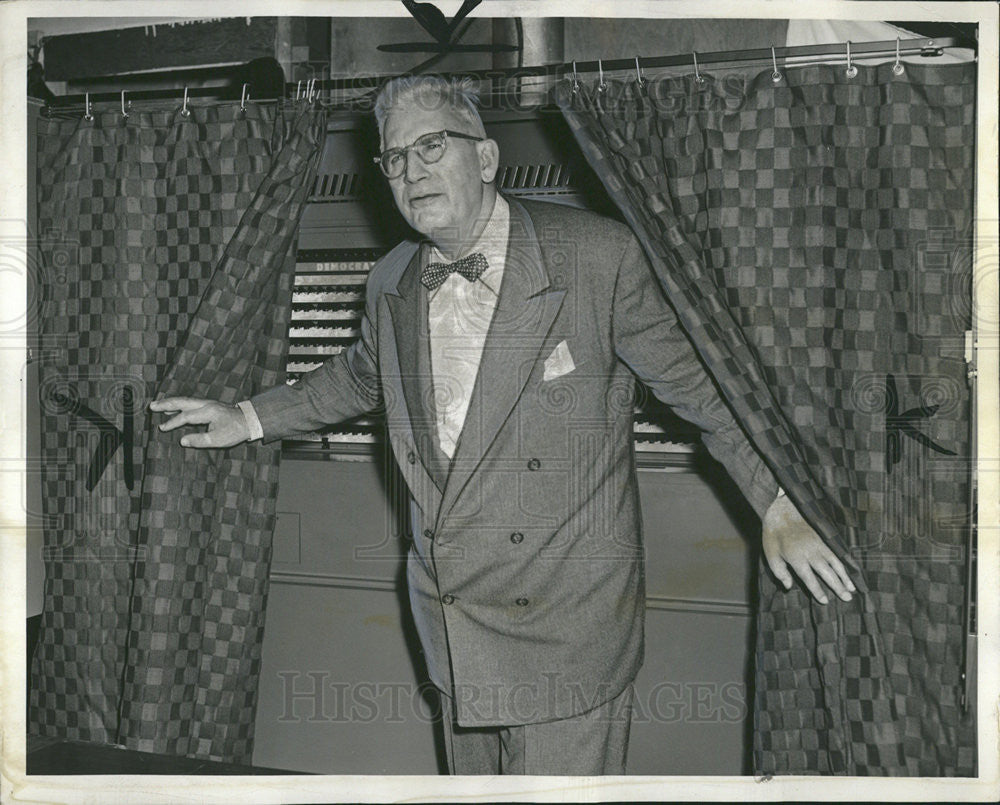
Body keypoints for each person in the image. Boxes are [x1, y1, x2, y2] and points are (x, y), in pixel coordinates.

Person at [150, 75, 854, 776]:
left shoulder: (595, 255)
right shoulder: (391, 277)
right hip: (453, 616)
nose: (410, 170)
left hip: (566, 625)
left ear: (485, 159)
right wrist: (245, 417)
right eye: (394, 158)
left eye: (431, 146)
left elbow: (698, 389)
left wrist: (776, 499)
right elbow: (363, 374)